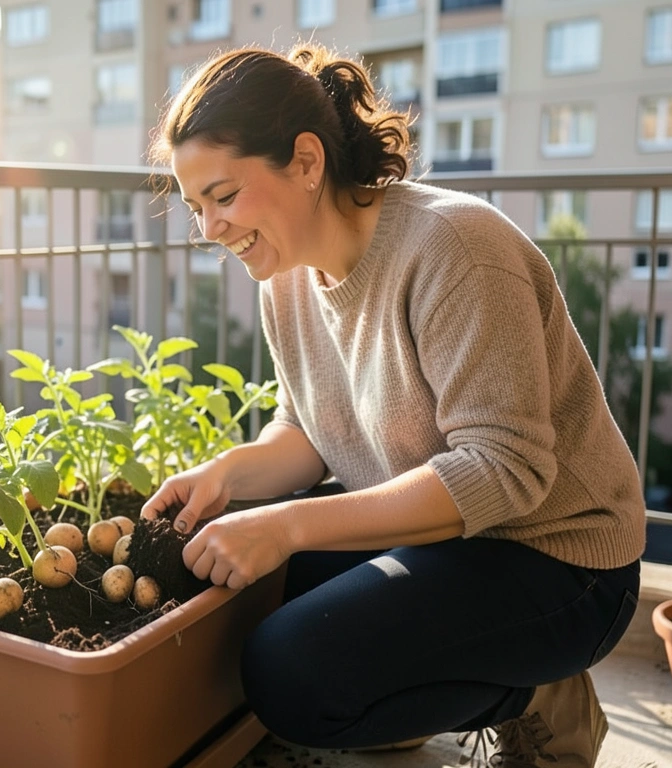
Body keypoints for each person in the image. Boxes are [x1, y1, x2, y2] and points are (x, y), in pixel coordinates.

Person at [141, 43, 644, 768]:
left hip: (558, 559)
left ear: (306, 162)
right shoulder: (282, 279)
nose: (209, 229)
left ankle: (539, 696)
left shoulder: (455, 249)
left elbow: (505, 472)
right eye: (196, 207)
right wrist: (229, 478)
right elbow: (310, 431)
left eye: (223, 196)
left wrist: (287, 524)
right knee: (231, 590)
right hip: (445, 539)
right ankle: (407, 685)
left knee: (293, 673)